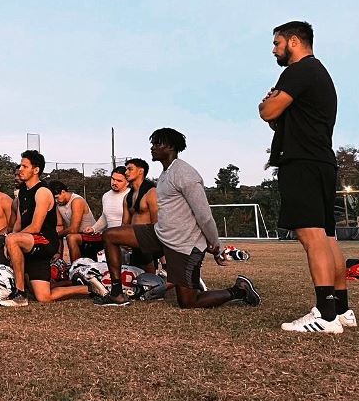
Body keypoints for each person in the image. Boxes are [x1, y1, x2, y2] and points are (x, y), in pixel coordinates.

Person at [97, 129, 260, 310]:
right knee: (110, 235)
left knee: (188, 302)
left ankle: (240, 290)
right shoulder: (165, 173)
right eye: (153, 144)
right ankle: (116, 293)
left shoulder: (185, 174)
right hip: (160, 233)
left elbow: (204, 215)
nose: (152, 148)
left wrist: (215, 245)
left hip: (184, 244)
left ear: (171, 147)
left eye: (157, 144)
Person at [260, 21, 354, 333]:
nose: (274, 49)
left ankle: (325, 316)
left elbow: (269, 112)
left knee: (311, 236)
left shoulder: (299, 71)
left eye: (277, 43)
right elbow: (282, 121)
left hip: (302, 162)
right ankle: (341, 309)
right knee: (327, 237)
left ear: (294, 41)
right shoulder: (318, 73)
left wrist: (267, 102)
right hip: (322, 161)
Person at [0, 152, 91, 307]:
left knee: (12, 239)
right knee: (44, 297)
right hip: (31, 242)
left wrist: (12, 239)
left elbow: (35, 227)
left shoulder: (42, 191)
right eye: (20, 165)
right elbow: (19, 223)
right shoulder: (22, 192)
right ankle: (87, 288)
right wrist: (10, 238)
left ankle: (19, 294)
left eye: (24, 166)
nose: (20, 169)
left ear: (36, 170)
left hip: (45, 242)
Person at [98, 158, 160, 300]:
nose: (126, 172)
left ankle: (116, 291)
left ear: (141, 171)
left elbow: (158, 221)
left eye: (129, 169)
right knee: (146, 276)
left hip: (152, 234)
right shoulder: (128, 197)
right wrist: (124, 240)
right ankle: (153, 287)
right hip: (137, 237)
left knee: (108, 235)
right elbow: (125, 224)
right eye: (126, 169)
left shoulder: (152, 192)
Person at [54, 182, 100, 262]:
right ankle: (72, 268)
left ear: (63, 192)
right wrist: (59, 252)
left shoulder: (76, 200)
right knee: (68, 236)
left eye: (57, 197)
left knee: (71, 237)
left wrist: (56, 234)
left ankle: (76, 267)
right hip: (79, 236)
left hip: (93, 235)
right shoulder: (58, 205)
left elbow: (73, 230)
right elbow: (59, 227)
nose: (56, 201)